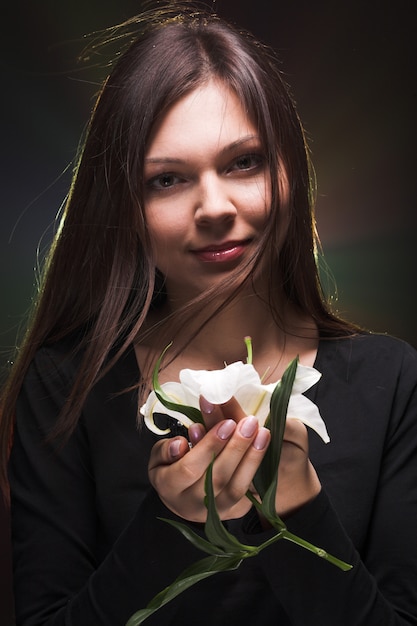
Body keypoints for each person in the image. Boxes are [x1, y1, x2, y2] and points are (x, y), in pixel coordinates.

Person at [1, 3, 416, 625]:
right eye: (167, 180)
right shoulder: (65, 387)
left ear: (287, 172)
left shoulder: (392, 380)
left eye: (243, 162)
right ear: (125, 205)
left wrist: (298, 510)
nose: (214, 206)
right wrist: (172, 520)